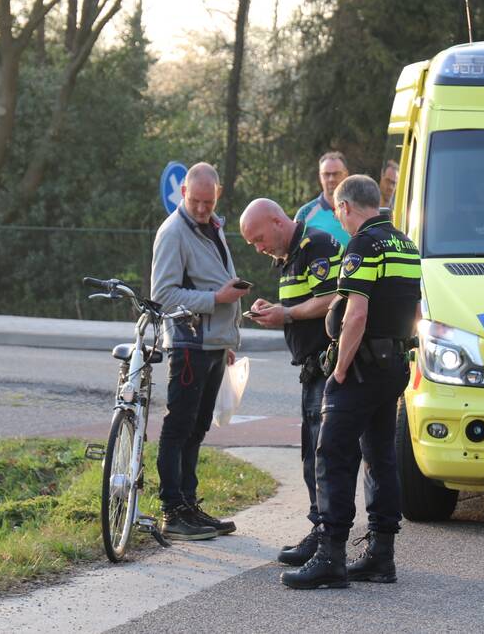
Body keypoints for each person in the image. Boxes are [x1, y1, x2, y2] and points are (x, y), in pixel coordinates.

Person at [281, 175, 421, 590]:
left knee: (333, 455)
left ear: (344, 207)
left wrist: (340, 369)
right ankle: (381, 555)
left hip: (359, 368)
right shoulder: (406, 245)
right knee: (381, 456)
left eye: (339, 213)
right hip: (393, 364)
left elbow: (355, 313)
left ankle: (331, 555)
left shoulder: (362, 245)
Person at [238, 198, 343, 567]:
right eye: (252, 243)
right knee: (310, 454)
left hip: (325, 366)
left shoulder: (315, 245)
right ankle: (320, 530)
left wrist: (286, 314)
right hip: (309, 368)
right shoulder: (288, 257)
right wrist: (276, 310)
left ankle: (326, 537)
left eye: (259, 238)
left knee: (321, 455)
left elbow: (332, 297)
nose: (258, 247)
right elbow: (301, 304)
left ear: (276, 221)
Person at [150, 162, 249, 541]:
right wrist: (216, 299)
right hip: (189, 343)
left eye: (209, 201)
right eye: (196, 201)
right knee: (179, 426)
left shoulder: (214, 225)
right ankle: (172, 511)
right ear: (183, 195)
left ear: (217, 194)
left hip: (212, 344)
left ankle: (189, 505)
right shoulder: (173, 232)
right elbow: (163, 294)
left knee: (198, 427)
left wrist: (227, 340)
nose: (203, 208)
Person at [295, 151, 351, 245]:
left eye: (336, 174)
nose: (331, 179)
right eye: (326, 174)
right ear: (320, 177)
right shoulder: (305, 214)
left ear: (346, 174)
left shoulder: (359, 209)